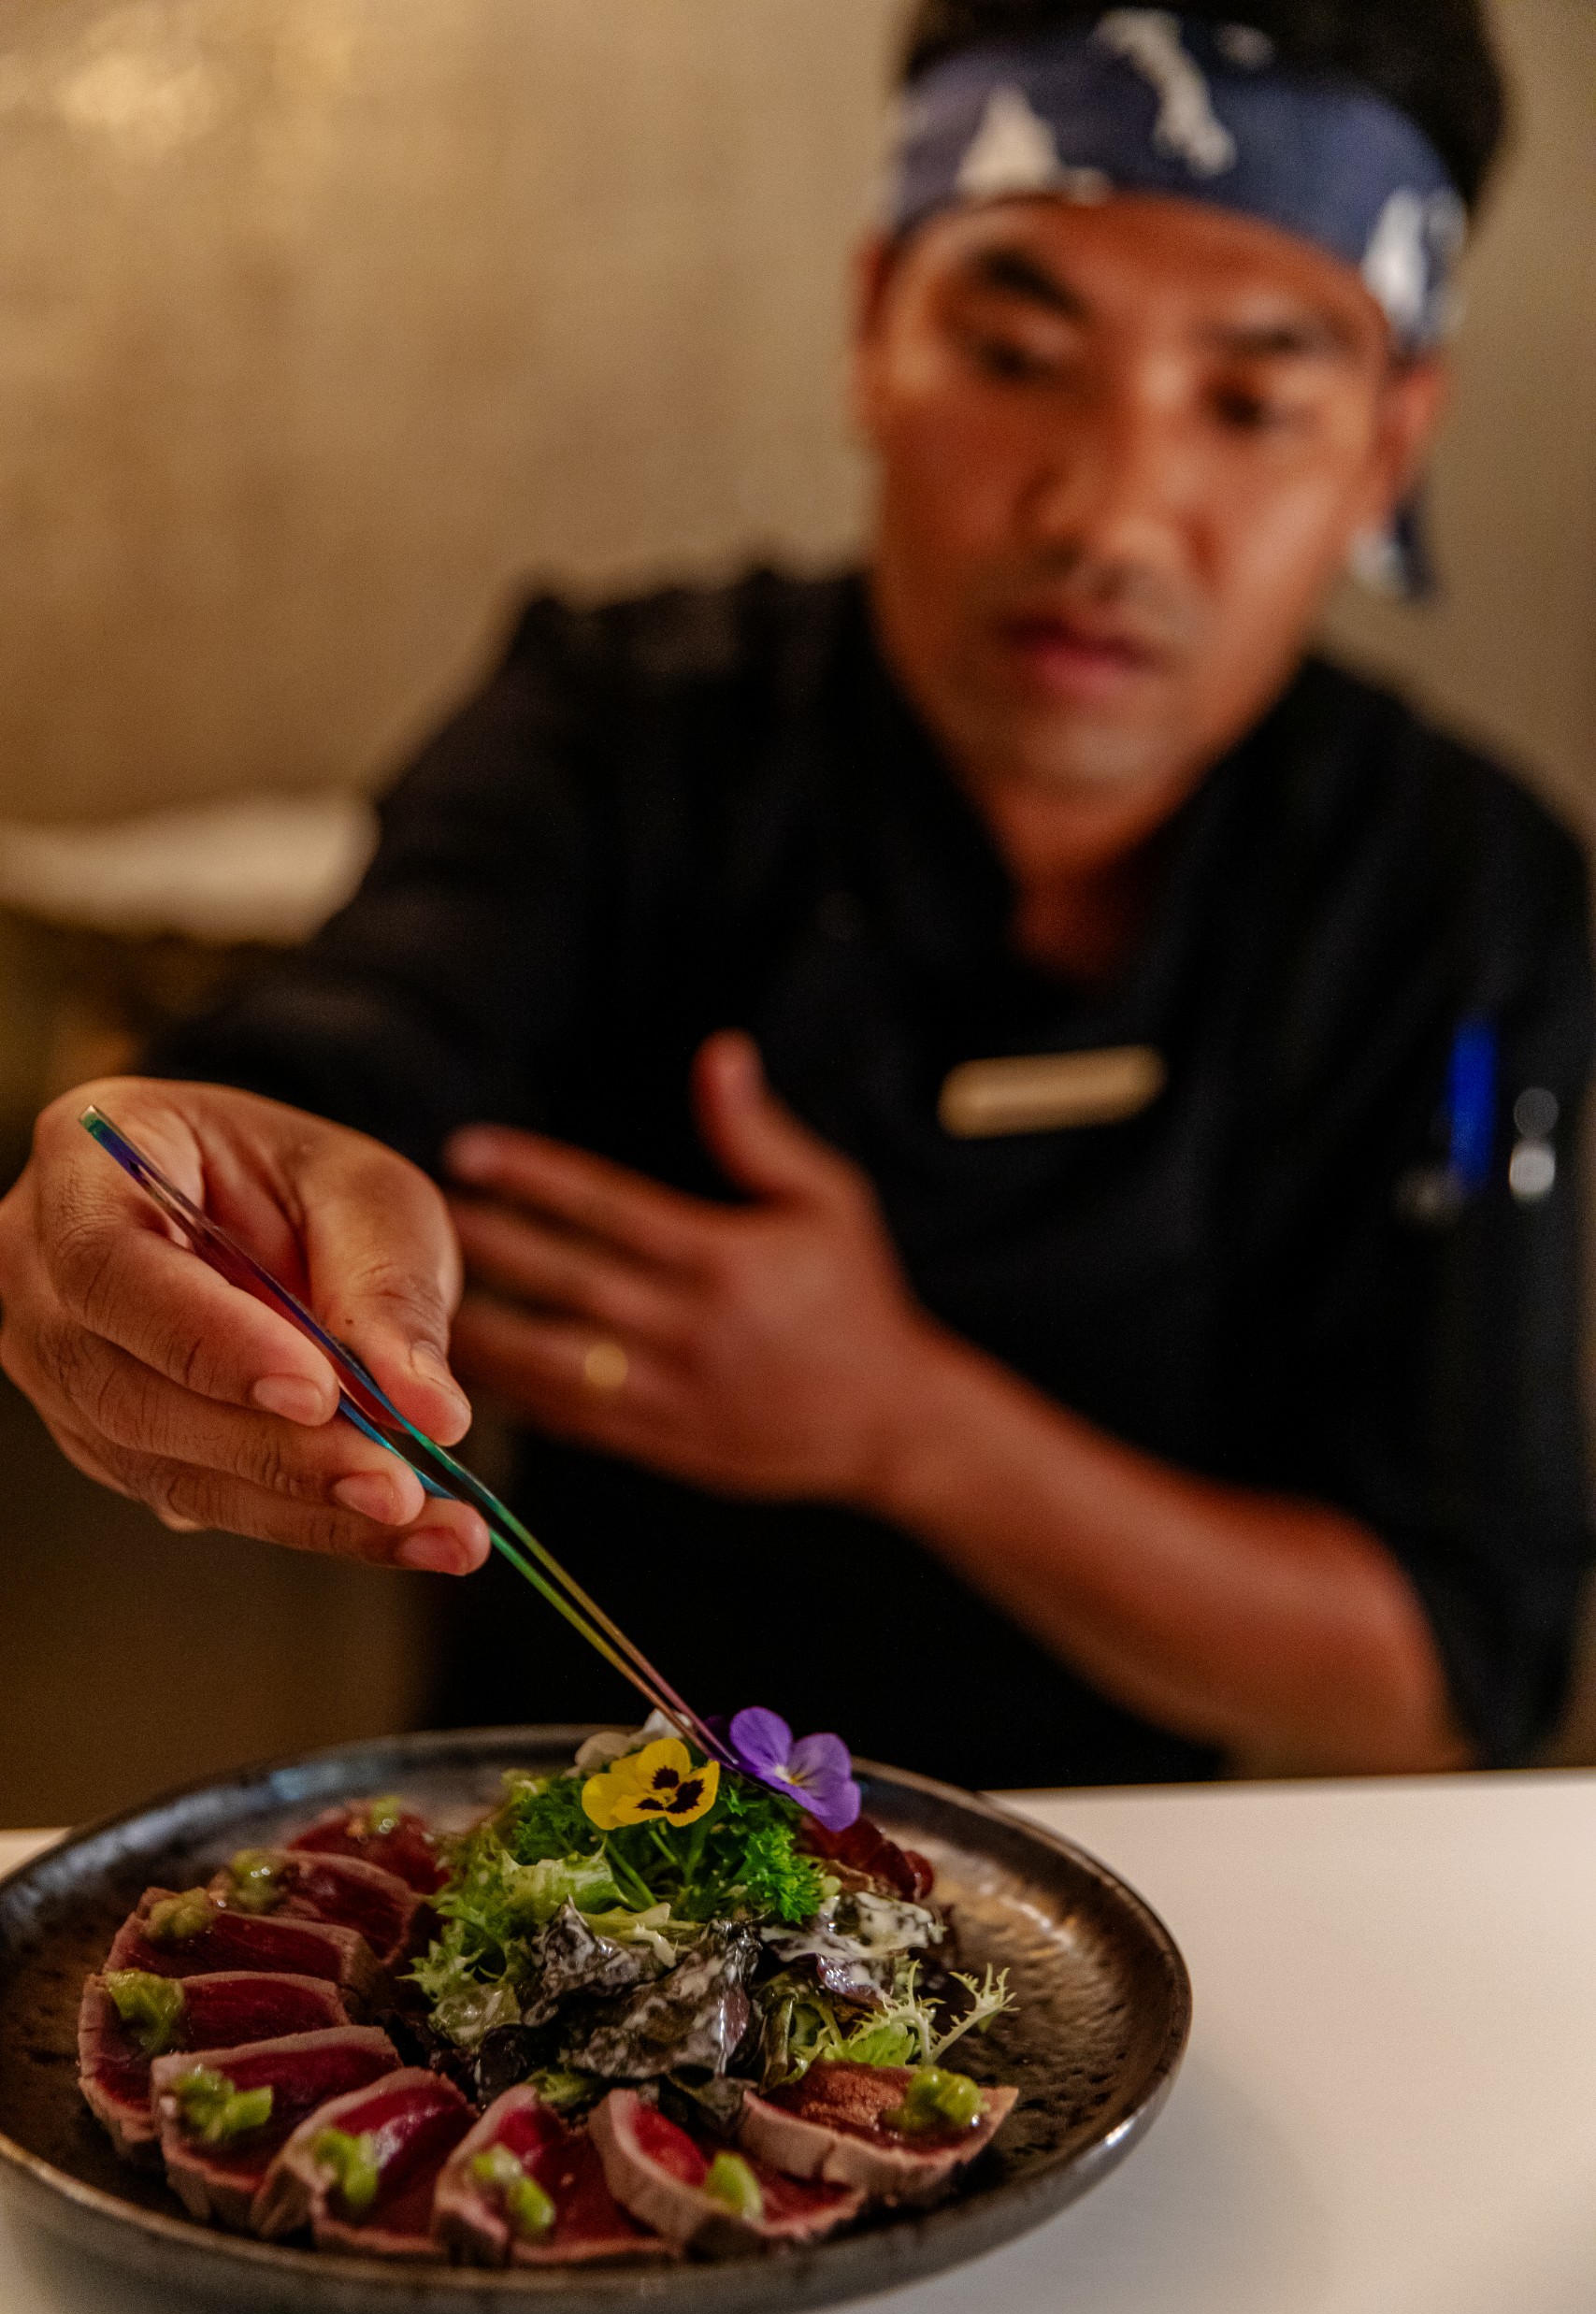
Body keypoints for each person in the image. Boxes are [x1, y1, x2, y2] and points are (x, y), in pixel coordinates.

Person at [0, 0, 1588, 1789]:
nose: (1109, 517)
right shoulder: (623, 728)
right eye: (1015, 352)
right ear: (874, 328)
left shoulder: (1465, 891)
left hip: (1132, 1877)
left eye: (1253, 402)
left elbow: (1462, 1679)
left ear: (1388, 443)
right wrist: (188, 1157)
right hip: (550, 1834)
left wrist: (908, 1422)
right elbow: (361, 1035)